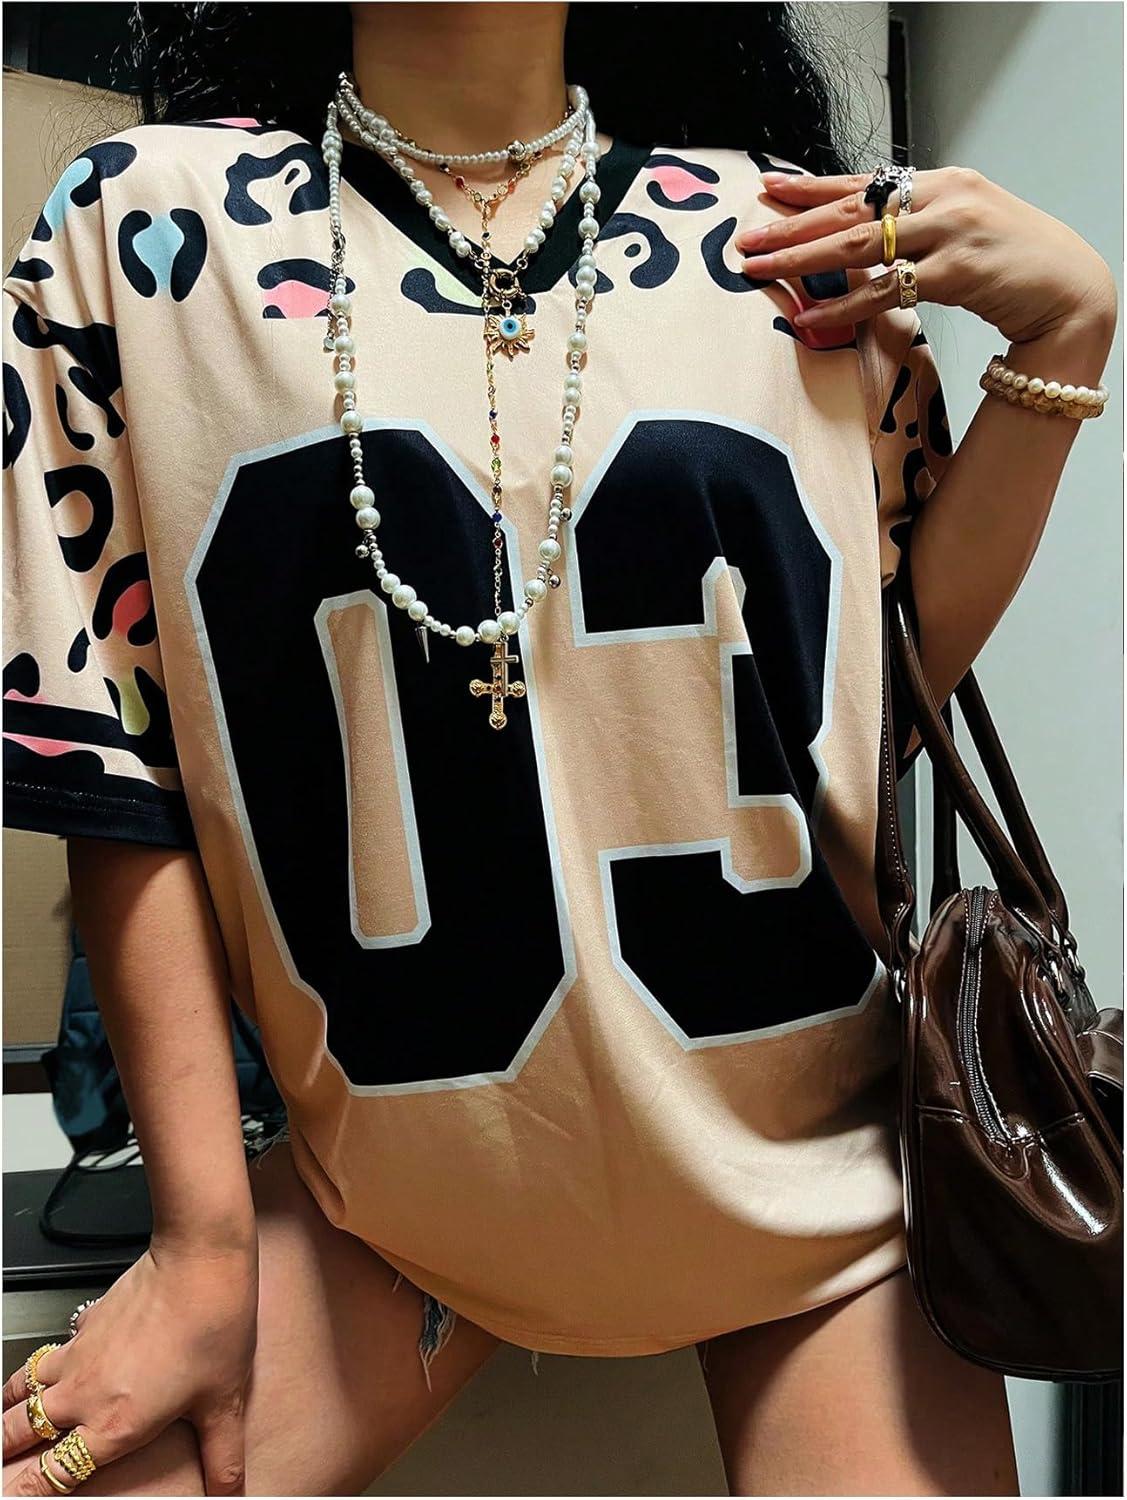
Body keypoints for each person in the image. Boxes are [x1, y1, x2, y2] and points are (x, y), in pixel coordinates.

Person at [1, 3, 1116, 1496]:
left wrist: (1065, 341)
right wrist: (201, 1243)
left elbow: (873, 684)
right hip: (387, 1209)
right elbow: (109, 757)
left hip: (821, 1193)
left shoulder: (780, 232)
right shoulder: (143, 231)